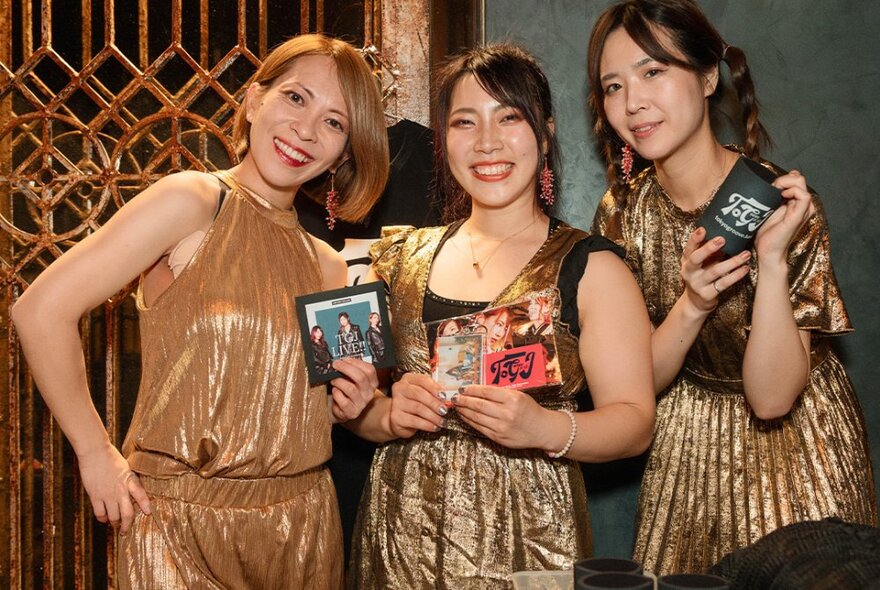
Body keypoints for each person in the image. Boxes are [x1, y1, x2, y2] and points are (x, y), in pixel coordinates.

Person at [11, 33, 389, 589]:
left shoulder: (334, 269)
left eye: (335, 122)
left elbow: (329, 407)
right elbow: (40, 310)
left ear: (347, 151)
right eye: (295, 98)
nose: (307, 131)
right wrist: (95, 454)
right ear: (254, 101)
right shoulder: (191, 201)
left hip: (304, 527)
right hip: (176, 526)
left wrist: (356, 402)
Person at [345, 43, 655, 588]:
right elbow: (356, 410)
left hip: (531, 534)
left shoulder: (592, 267)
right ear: (445, 142)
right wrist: (386, 414)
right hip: (400, 535)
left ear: (546, 131)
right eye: (465, 122)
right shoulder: (397, 261)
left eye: (509, 117)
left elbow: (634, 421)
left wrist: (546, 426)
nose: (487, 142)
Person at [586, 0, 877, 576]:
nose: (633, 102)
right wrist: (693, 304)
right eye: (613, 86)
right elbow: (632, 384)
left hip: (796, 444)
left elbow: (772, 400)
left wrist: (769, 261)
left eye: (654, 72)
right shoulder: (622, 212)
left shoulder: (780, 203)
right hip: (685, 443)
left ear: (708, 76)